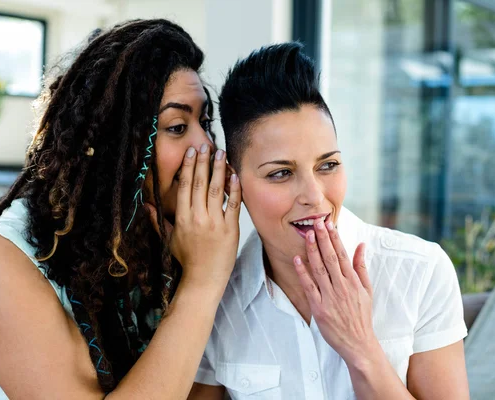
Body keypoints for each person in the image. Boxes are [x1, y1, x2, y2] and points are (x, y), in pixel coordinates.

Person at [0, 19, 241, 400]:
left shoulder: (175, 241)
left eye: (205, 122)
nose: (206, 147)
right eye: (177, 127)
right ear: (114, 146)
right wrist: (202, 282)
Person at [188, 43, 469, 399]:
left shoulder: (420, 272)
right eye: (280, 174)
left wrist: (362, 348)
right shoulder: (218, 297)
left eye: (328, 165)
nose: (314, 196)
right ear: (233, 180)